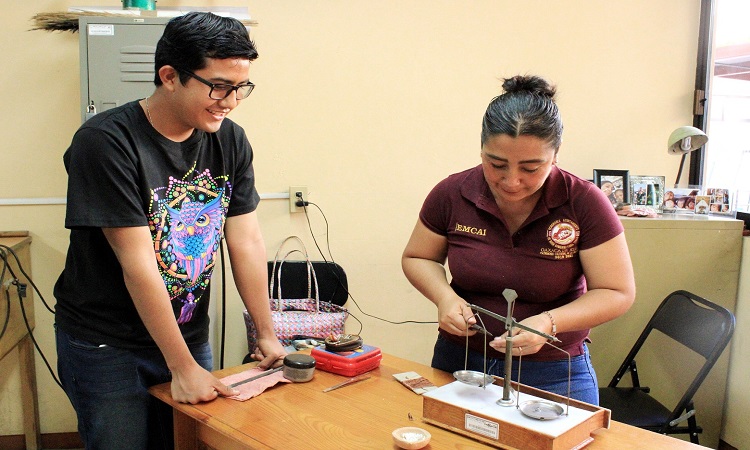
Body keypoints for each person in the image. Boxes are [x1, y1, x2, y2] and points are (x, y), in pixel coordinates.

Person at [53, 12, 286, 449]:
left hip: (187, 332)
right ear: (169, 76)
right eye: (218, 86)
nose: (230, 101)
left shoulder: (230, 140)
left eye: (240, 88)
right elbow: (138, 263)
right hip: (107, 343)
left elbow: (247, 240)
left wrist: (266, 332)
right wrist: (181, 367)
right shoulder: (106, 141)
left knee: (187, 442)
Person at [401, 75, 635, 405]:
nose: (512, 181)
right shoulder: (452, 193)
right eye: (496, 164)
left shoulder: (584, 202)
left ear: (556, 155)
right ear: (481, 149)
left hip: (552, 369)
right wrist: (444, 298)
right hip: (463, 361)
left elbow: (617, 292)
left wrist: (549, 323)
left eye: (531, 167)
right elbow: (418, 257)